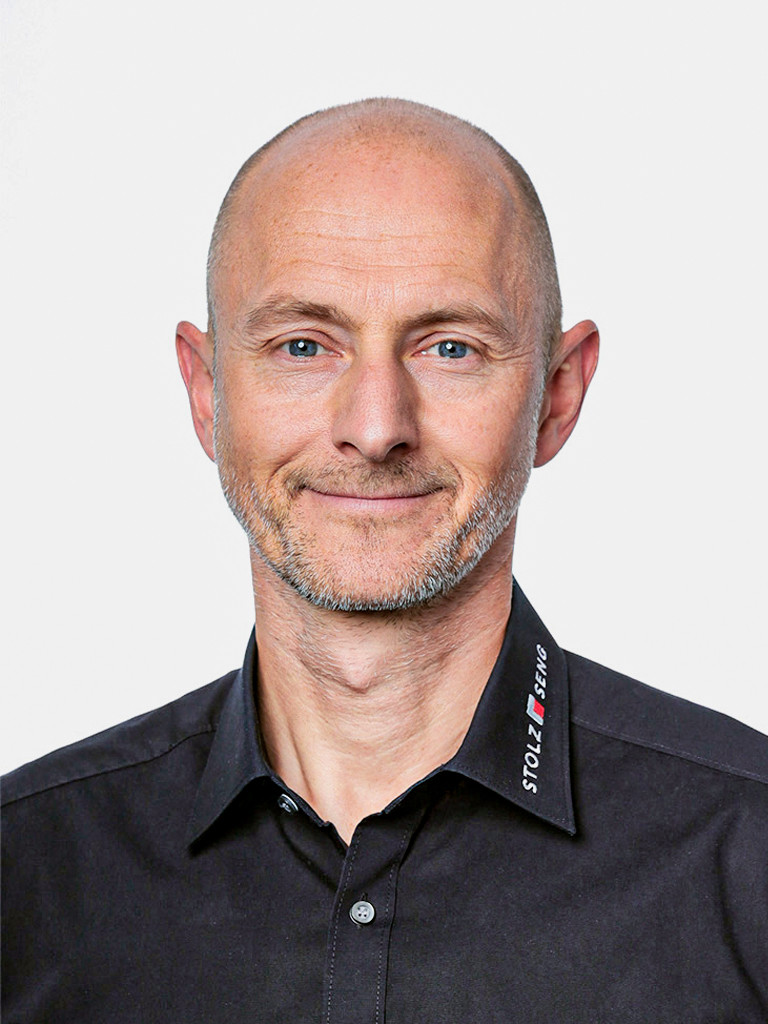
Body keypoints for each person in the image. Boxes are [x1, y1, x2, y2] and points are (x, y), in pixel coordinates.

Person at [2, 98, 766, 1023]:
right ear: (206, 395)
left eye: (450, 348)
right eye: (302, 346)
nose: (375, 428)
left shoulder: (747, 859)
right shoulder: (27, 875)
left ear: (557, 397)